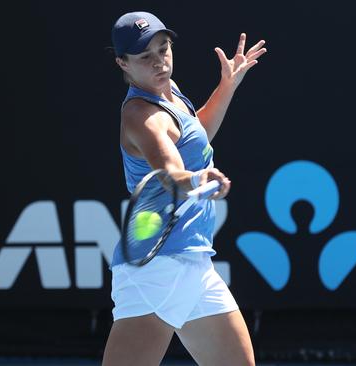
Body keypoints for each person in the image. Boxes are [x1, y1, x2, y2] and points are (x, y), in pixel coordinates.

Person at [103, 11, 266, 366]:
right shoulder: (140, 116)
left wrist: (228, 85)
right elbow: (169, 171)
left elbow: (195, 139)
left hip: (195, 263)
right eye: (145, 57)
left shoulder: (170, 93)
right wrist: (196, 180)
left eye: (164, 49)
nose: (159, 62)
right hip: (156, 270)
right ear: (123, 64)